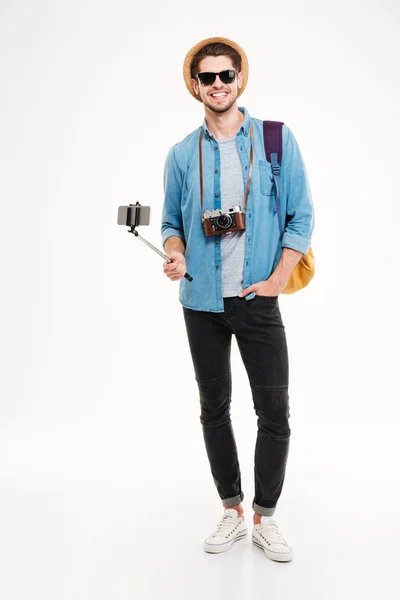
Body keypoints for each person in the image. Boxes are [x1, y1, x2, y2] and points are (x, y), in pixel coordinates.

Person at [161, 36, 314, 562]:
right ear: (195, 85)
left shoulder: (275, 140)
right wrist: (176, 253)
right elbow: (169, 224)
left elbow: (303, 216)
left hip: (256, 298)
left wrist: (276, 280)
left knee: (274, 410)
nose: (219, 84)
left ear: (241, 78)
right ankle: (231, 509)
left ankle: (264, 517)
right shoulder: (182, 154)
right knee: (213, 408)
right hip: (200, 299)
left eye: (227, 75)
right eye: (209, 77)